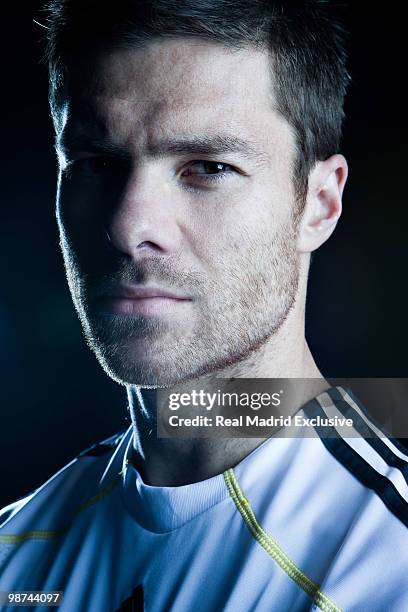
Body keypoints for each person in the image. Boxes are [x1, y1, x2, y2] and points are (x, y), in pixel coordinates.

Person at [0, 1, 407, 610]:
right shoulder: (13, 552)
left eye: (209, 167)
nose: (130, 223)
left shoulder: (388, 563)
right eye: (96, 164)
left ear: (319, 204)